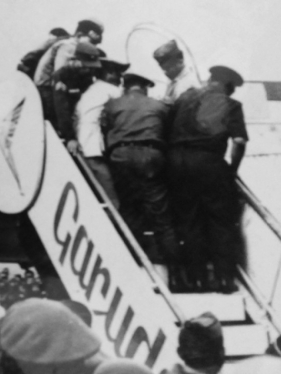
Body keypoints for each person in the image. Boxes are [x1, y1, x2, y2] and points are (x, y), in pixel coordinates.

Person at [167, 65, 247, 293]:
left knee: (188, 221)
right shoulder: (230, 104)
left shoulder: (184, 98)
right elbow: (239, 142)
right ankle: (224, 279)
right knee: (220, 221)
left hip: (177, 162)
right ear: (228, 86)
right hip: (209, 162)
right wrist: (231, 169)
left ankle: (196, 279)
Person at [100, 71, 181, 288]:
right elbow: (168, 133)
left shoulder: (112, 105)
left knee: (128, 213)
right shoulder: (159, 106)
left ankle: (127, 275)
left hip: (121, 157)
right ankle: (176, 278)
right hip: (151, 156)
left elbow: (105, 129)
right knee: (162, 218)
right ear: (145, 87)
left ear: (125, 86)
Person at [73, 58, 129, 207]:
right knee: (110, 192)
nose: (120, 79)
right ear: (109, 73)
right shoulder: (111, 90)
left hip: (83, 144)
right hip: (93, 146)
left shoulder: (91, 91)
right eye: (118, 74)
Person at [34, 19, 104, 129]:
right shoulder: (70, 46)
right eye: (91, 42)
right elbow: (60, 75)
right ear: (80, 35)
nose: (93, 48)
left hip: (48, 91)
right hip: (47, 93)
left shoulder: (68, 44)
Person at [52, 42, 102, 154]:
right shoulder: (61, 76)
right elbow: (61, 109)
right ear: (75, 60)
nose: (89, 70)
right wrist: (70, 138)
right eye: (86, 65)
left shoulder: (88, 76)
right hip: (64, 124)